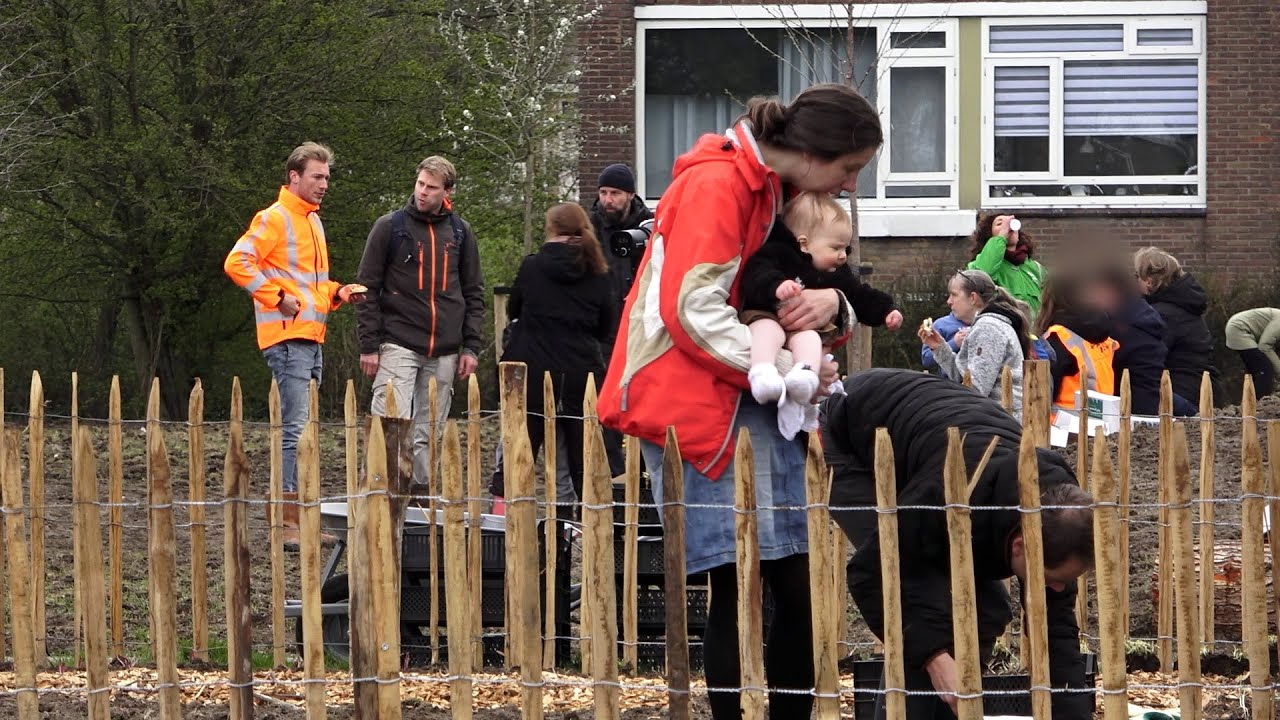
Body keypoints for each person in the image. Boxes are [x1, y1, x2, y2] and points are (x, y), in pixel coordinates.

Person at [599, 83, 882, 719]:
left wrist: (833, 309)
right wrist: (784, 365)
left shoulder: (769, 192)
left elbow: (795, 297)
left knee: (788, 580)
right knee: (741, 584)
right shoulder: (719, 186)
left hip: (737, 400)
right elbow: (690, 311)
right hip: (697, 406)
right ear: (812, 153)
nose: (852, 187)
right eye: (851, 169)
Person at [823, 369, 1096, 720]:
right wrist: (935, 658)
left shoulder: (1055, 510)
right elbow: (871, 573)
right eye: (1053, 577)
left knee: (987, 606)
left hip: (936, 442)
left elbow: (1057, 631)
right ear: (1019, 547)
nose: (1059, 587)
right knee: (927, 605)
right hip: (850, 437)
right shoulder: (948, 493)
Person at [224, 142, 363, 550]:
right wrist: (274, 297)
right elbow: (237, 262)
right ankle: (286, 523)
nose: (324, 184)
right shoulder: (276, 217)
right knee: (294, 431)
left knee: (302, 432)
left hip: (309, 338)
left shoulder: (312, 222)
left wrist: (339, 293)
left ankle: (298, 520)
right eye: (317, 177)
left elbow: (310, 286)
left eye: (327, 178)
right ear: (294, 177)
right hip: (287, 340)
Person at [355, 156, 485, 488]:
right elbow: (366, 288)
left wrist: (471, 346)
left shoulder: (460, 232)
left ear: (448, 191)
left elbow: (473, 292)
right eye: (420, 184)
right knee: (390, 423)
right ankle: (380, 493)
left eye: (431, 187)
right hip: (398, 342)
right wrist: (369, 346)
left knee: (430, 432)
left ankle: (420, 504)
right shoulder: (390, 227)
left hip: (444, 349)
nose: (423, 192)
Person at [488, 203, 616, 512]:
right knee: (580, 456)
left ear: (552, 230)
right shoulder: (598, 272)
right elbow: (606, 327)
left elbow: (515, 309)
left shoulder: (532, 267)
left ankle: (504, 517)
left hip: (531, 370)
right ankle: (577, 526)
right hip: (577, 374)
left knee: (520, 447)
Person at [740, 191, 902, 435]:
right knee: (765, 330)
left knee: (811, 339)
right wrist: (776, 286)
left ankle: (804, 375)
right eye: (836, 247)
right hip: (767, 314)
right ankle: (762, 372)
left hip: (800, 330)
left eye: (846, 248)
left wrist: (886, 310)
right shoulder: (780, 254)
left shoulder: (837, 273)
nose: (843, 256)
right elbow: (756, 274)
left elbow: (860, 295)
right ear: (804, 243)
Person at [588, 163, 654, 477]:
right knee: (606, 404)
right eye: (603, 192)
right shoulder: (589, 229)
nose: (608, 200)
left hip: (641, 329)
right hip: (602, 330)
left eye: (614, 193)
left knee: (644, 402)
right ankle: (613, 475)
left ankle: (642, 471)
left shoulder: (651, 228)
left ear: (629, 194)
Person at [1081, 266, 1194, 416]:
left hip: (1133, 406)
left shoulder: (1119, 325)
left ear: (1110, 292)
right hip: (1149, 399)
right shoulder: (1140, 314)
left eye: (1096, 292)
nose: (1091, 299)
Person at [918, 269, 1028, 418]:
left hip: (998, 425)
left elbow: (976, 390)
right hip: (995, 420)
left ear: (973, 298)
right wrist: (939, 348)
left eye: (954, 295)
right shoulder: (984, 326)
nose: (949, 301)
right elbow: (964, 377)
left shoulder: (988, 329)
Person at [1134, 247, 1226, 404]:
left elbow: (1146, 358)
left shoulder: (1162, 314)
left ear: (1148, 280)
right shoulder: (1184, 306)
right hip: (1201, 388)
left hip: (1181, 394)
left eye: (1137, 276)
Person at [1035, 274, 1119, 416]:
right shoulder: (1104, 331)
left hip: (1061, 427)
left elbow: (1042, 392)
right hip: (1101, 420)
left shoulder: (1058, 336)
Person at [967, 211, 1045, 319]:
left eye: (1010, 223)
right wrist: (1001, 237)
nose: (1007, 227)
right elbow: (984, 273)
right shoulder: (979, 264)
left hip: (1034, 334)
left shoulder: (1036, 268)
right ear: (989, 234)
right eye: (1000, 224)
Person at [1225, 308, 1280, 397]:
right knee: (1264, 368)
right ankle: (1261, 404)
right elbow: (1264, 346)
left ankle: (1252, 402)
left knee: (1258, 372)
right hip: (1239, 329)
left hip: (1239, 327)